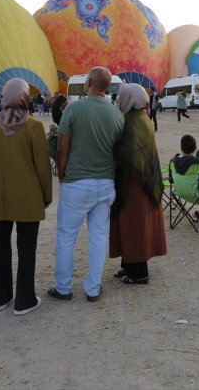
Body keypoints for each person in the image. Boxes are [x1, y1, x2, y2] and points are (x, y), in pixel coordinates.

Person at [0, 78, 52, 315]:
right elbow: (43, 168)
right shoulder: (34, 126)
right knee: (26, 250)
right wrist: (46, 196)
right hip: (28, 198)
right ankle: (24, 301)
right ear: (25, 97)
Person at [51, 67, 125, 303]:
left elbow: (62, 149)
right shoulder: (117, 114)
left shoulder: (73, 109)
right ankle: (93, 288)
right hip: (105, 183)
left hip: (77, 182)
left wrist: (63, 175)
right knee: (99, 237)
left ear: (90, 82)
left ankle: (63, 288)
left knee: (66, 237)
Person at [110, 84, 166, 285]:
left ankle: (138, 273)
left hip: (134, 182)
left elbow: (128, 152)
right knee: (129, 225)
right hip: (142, 180)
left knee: (134, 226)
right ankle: (129, 265)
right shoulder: (142, 118)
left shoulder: (130, 121)